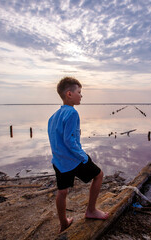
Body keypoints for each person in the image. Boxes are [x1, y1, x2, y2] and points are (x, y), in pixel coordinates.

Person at [48, 77, 109, 232]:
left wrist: (58, 157)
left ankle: (63, 223)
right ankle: (91, 210)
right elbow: (69, 141)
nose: (81, 96)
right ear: (69, 94)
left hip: (59, 161)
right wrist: (83, 156)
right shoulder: (72, 113)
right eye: (79, 92)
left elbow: (55, 139)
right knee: (99, 175)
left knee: (62, 191)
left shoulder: (53, 117)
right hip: (74, 159)